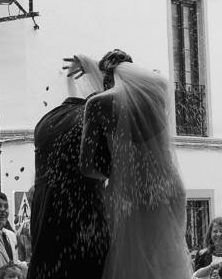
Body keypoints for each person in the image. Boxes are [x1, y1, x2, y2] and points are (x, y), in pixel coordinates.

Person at [78, 49, 193, 278]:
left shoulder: (97, 104)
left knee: (133, 267)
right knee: (168, 263)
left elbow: (87, 167)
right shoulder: (157, 91)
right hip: (170, 190)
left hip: (131, 195)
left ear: (107, 77)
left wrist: (119, 171)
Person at [27, 56, 110, 279]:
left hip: (45, 215)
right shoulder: (92, 117)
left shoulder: (44, 122)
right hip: (83, 217)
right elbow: (102, 168)